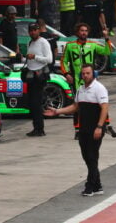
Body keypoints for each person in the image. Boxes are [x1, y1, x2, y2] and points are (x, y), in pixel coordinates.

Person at [44, 64, 108, 196]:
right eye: (83, 73)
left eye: (88, 73)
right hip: (83, 129)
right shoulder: (81, 89)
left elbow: (105, 108)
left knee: (91, 156)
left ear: (93, 74)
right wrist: (57, 111)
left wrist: (100, 127)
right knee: (88, 157)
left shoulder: (99, 89)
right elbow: (75, 107)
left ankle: (89, 187)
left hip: (95, 129)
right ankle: (98, 186)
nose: (85, 76)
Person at [61, 23, 112, 138]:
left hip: (91, 81)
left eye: (85, 31)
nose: (84, 33)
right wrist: (67, 74)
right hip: (77, 81)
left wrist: (107, 38)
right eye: (81, 30)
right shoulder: (70, 45)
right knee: (77, 105)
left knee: (99, 103)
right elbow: (63, 61)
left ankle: (106, 125)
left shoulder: (92, 45)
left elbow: (107, 52)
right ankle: (78, 130)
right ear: (77, 32)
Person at [24, 22, 53, 137]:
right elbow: (29, 59)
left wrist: (35, 57)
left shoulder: (44, 42)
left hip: (39, 76)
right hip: (31, 76)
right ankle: (36, 127)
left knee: (36, 103)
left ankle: (40, 129)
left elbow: (49, 59)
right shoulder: (30, 42)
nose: (33, 32)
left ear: (39, 30)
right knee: (32, 103)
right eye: (31, 30)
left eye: (35, 30)